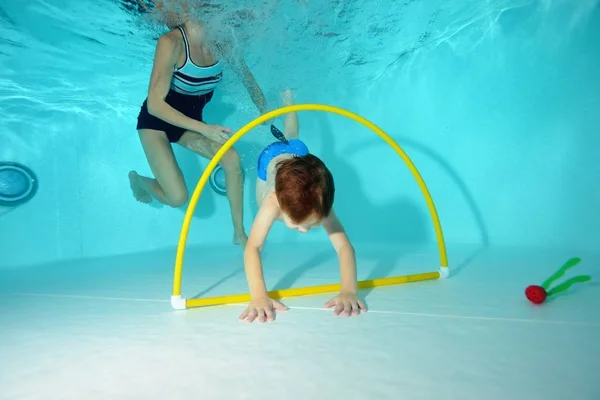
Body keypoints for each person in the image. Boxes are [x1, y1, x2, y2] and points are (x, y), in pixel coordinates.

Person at [128, 12, 268, 246]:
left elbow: (248, 80)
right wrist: (205, 129)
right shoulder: (171, 42)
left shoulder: (223, 42)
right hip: (156, 122)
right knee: (177, 198)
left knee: (231, 158)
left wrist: (265, 110)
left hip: (189, 123)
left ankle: (239, 233)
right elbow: (154, 105)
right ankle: (139, 180)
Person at [238, 89, 367, 323]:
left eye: (311, 224)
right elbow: (253, 247)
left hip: (298, 154)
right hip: (270, 159)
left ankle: (289, 101)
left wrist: (349, 290)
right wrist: (259, 296)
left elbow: (344, 247)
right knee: (289, 137)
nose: (305, 231)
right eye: (298, 225)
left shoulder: (319, 203)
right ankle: (288, 102)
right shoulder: (271, 202)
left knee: (292, 136)